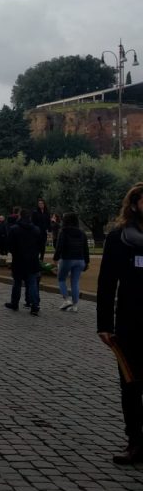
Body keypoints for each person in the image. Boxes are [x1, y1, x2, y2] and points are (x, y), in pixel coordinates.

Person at [97, 182, 143, 465]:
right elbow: (105, 284)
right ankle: (135, 441)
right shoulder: (118, 238)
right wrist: (104, 324)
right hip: (129, 323)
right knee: (131, 385)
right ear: (135, 202)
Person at [5, 208, 42, 315]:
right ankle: (35, 305)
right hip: (32, 260)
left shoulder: (14, 229)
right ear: (29, 217)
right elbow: (40, 245)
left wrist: (15, 253)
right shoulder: (36, 229)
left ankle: (14, 303)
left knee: (17, 282)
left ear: (20, 216)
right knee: (32, 283)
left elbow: (10, 246)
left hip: (18, 260)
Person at [54, 212, 89, 313]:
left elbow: (59, 246)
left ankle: (66, 300)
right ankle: (75, 305)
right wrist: (87, 262)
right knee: (75, 282)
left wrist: (55, 257)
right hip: (80, 259)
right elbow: (86, 249)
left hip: (67, 258)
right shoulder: (82, 233)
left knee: (61, 279)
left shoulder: (64, 232)